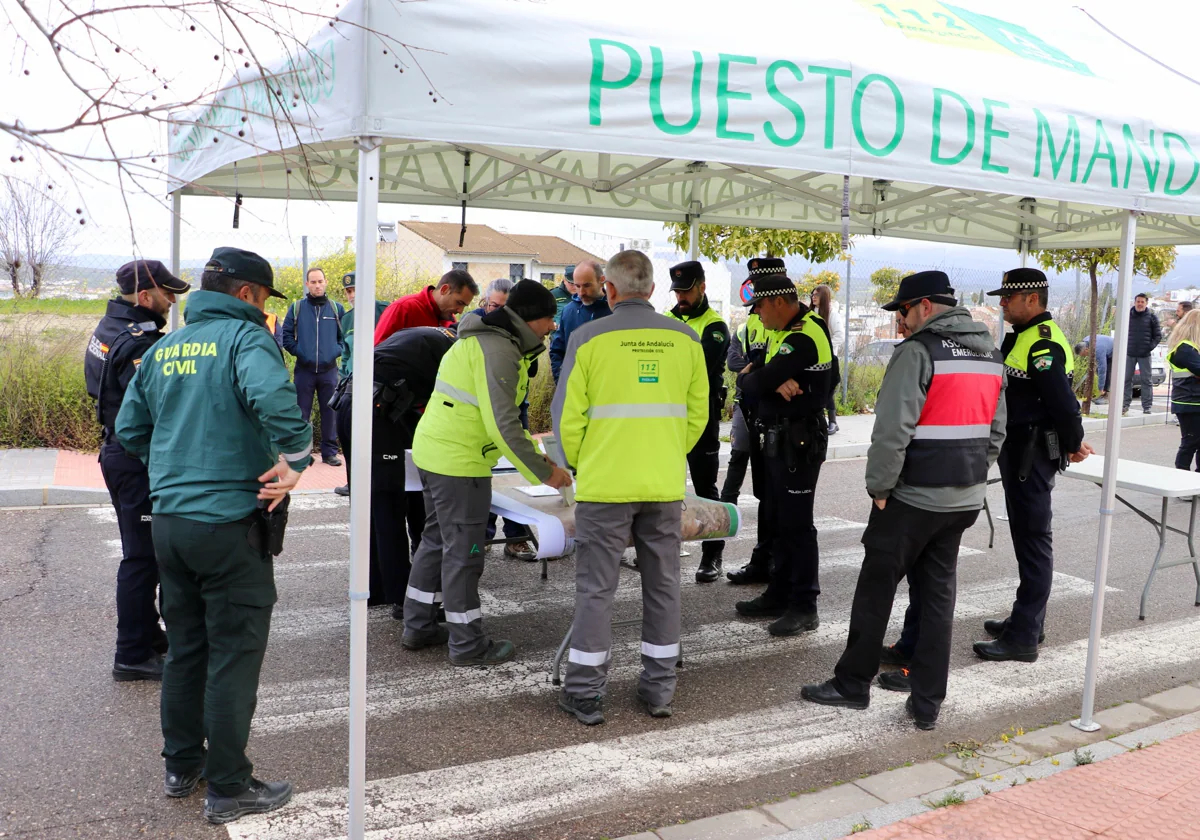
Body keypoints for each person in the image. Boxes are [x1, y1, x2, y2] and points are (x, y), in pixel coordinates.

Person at [115, 247, 312, 824]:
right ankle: (229, 786)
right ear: (248, 294)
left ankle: (182, 765)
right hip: (228, 524)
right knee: (233, 654)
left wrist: (175, 468)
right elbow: (274, 400)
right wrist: (298, 455)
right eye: (263, 300)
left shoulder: (165, 346)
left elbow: (130, 429)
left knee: (186, 648)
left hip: (171, 524)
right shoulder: (246, 341)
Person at [801, 271, 1006, 731]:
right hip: (963, 499)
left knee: (876, 590)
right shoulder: (991, 356)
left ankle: (852, 685)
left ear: (926, 307)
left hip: (911, 498)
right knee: (937, 598)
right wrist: (969, 474)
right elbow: (997, 434)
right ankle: (927, 703)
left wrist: (879, 487)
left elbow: (892, 431)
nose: (899, 322)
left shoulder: (918, 353)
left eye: (903, 311)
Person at [552, 249, 708, 725]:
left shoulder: (587, 336)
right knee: (663, 587)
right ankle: (659, 690)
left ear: (610, 290)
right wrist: (664, 453)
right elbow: (698, 414)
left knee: (596, 589)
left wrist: (582, 463)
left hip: (605, 485)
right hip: (661, 484)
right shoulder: (686, 339)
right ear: (654, 290)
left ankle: (585, 693)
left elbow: (565, 420)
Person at [404, 280, 572, 665]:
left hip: (436, 453)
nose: (553, 327)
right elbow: (504, 424)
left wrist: (536, 460)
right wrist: (546, 473)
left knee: (436, 541)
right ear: (531, 319)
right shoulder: (499, 349)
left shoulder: (486, 339)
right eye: (550, 319)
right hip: (458, 463)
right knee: (465, 553)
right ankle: (467, 645)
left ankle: (419, 625)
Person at [976, 268, 1092, 663]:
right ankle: (1027, 620)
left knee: (1033, 540)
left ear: (1032, 299)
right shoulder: (1024, 337)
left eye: (1009, 297)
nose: (1002, 303)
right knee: (1027, 539)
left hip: (1030, 452)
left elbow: (1060, 400)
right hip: (1019, 449)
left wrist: (1073, 442)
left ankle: (1023, 636)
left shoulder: (1042, 343)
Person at [85, 259, 191, 682]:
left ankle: (149, 634)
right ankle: (131, 654)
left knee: (144, 553)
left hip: (117, 453)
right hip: (134, 459)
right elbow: (152, 408)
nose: (173, 301)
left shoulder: (110, 326)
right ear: (145, 297)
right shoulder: (139, 343)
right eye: (168, 294)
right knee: (143, 558)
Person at [733, 258, 835, 636]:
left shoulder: (805, 335)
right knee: (776, 519)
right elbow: (751, 372)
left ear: (778, 302)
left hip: (798, 441)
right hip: (778, 437)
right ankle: (778, 592)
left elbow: (755, 380)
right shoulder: (784, 330)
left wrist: (762, 379)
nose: (756, 315)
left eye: (759, 306)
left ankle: (805, 604)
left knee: (797, 525)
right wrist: (765, 378)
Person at [338, 326, 458, 617]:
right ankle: (403, 598)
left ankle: (374, 587)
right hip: (375, 413)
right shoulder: (453, 352)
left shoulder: (426, 338)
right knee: (387, 502)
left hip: (350, 406)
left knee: (369, 501)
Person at [665, 260, 730, 582]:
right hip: (667, 418)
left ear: (702, 287)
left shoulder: (715, 326)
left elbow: (697, 370)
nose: (681, 296)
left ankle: (712, 556)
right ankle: (665, 548)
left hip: (701, 418)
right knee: (665, 487)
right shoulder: (665, 321)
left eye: (686, 290)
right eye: (677, 290)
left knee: (705, 488)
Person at [725, 278, 778, 586]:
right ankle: (728, 515)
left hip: (770, 414)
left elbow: (773, 365)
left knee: (769, 489)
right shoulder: (744, 330)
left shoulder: (783, 328)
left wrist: (755, 369)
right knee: (737, 466)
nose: (756, 309)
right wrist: (759, 368)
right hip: (746, 410)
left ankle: (770, 561)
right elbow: (733, 361)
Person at [335, 271, 391, 497]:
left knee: (377, 440)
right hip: (352, 388)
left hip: (380, 387)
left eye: (356, 289)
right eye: (348, 291)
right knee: (350, 437)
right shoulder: (348, 319)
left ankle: (378, 481)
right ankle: (353, 482)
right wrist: (343, 377)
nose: (352, 295)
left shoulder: (385, 311)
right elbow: (346, 353)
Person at [282, 267, 345, 466]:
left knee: (330, 412)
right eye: (313, 282)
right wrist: (302, 354)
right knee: (302, 413)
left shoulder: (337, 309)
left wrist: (334, 352)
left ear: (325, 282)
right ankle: (302, 454)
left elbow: (345, 339)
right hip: (304, 371)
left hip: (329, 371)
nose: (317, 285)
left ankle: (329, 453)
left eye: (320, 281)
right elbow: (286, 337)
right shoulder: (297, 308)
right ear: (307, 284)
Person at [373, 269, 478, 345]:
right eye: (459, 302)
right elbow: (378, 349)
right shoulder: (403, 308)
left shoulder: (449, 319)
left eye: (464, 306)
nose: (460, 311)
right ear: (444, 289)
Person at [550, 260, 610, 382]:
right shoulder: (568, 311)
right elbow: (557, 350)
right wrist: (562, 383)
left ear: (601, 280)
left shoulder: (615, 310)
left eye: (587, 285)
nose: (581, 292)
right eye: (577, 286)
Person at [1168, 309, 1200, 471]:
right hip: (1188, 402)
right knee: (1190, 442)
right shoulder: (1185, 349)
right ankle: (1181, 480)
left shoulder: (1192, 348)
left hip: (1194, 401)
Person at [811, 284, 844, 435]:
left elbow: (839, 335)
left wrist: (827, 348)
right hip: (812, 358)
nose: (813, 296)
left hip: (830, 359)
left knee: (827, 390)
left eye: (817, 294)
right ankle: (817, 421)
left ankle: (832, 421)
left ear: (824, 296)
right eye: (812, 294)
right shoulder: (811, 313)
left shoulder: (832, 314)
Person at [1123, 292, 1162, 415]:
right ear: (1134, 302)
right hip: (1129, 353)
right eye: (1138, 301)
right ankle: (1124, 405)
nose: (1140, 304)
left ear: (1146, 303)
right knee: (1126, 380)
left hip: (1144, 354)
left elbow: (1158, 336)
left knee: (1146, 381)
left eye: (1142, 302)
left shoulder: (1152, 317)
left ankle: (1147, 407)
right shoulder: (1127, 316)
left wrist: (1148, 347)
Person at [1074, 334, 1114, 404]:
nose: (1085, 356)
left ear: (1086, 349)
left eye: (1084, 354)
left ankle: (1105, 396)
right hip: (1105, 346)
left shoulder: (1098, 349)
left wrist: (1100, 388)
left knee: (1106, 371)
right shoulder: (1085, 340)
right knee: (1098, 370)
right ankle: (1103, 394)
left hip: (1114, 350)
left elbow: (1103, 369)